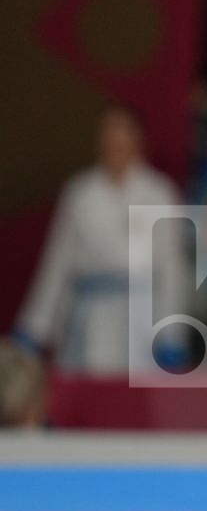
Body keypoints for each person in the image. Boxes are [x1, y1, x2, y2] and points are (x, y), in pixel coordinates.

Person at [13, 103, 183, 377]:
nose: (114, 141)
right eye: (108, 133)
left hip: (140, 321)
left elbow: (172, 270)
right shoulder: (80, 193)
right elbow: (58, 263)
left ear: (138, 138)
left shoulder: (159, 193)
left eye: (121, 132)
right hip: (89, 318)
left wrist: (172, 333)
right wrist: (35, 327)